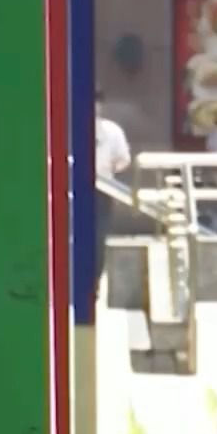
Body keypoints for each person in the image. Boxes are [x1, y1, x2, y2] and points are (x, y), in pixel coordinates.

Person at [93, 92, 132, 296]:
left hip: (102, 190)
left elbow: (124, 159)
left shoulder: (112, 130)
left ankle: (94, 282)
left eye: (96, 103)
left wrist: (111, 168)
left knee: (98, 237)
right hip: (73, 190)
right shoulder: (69, 127)